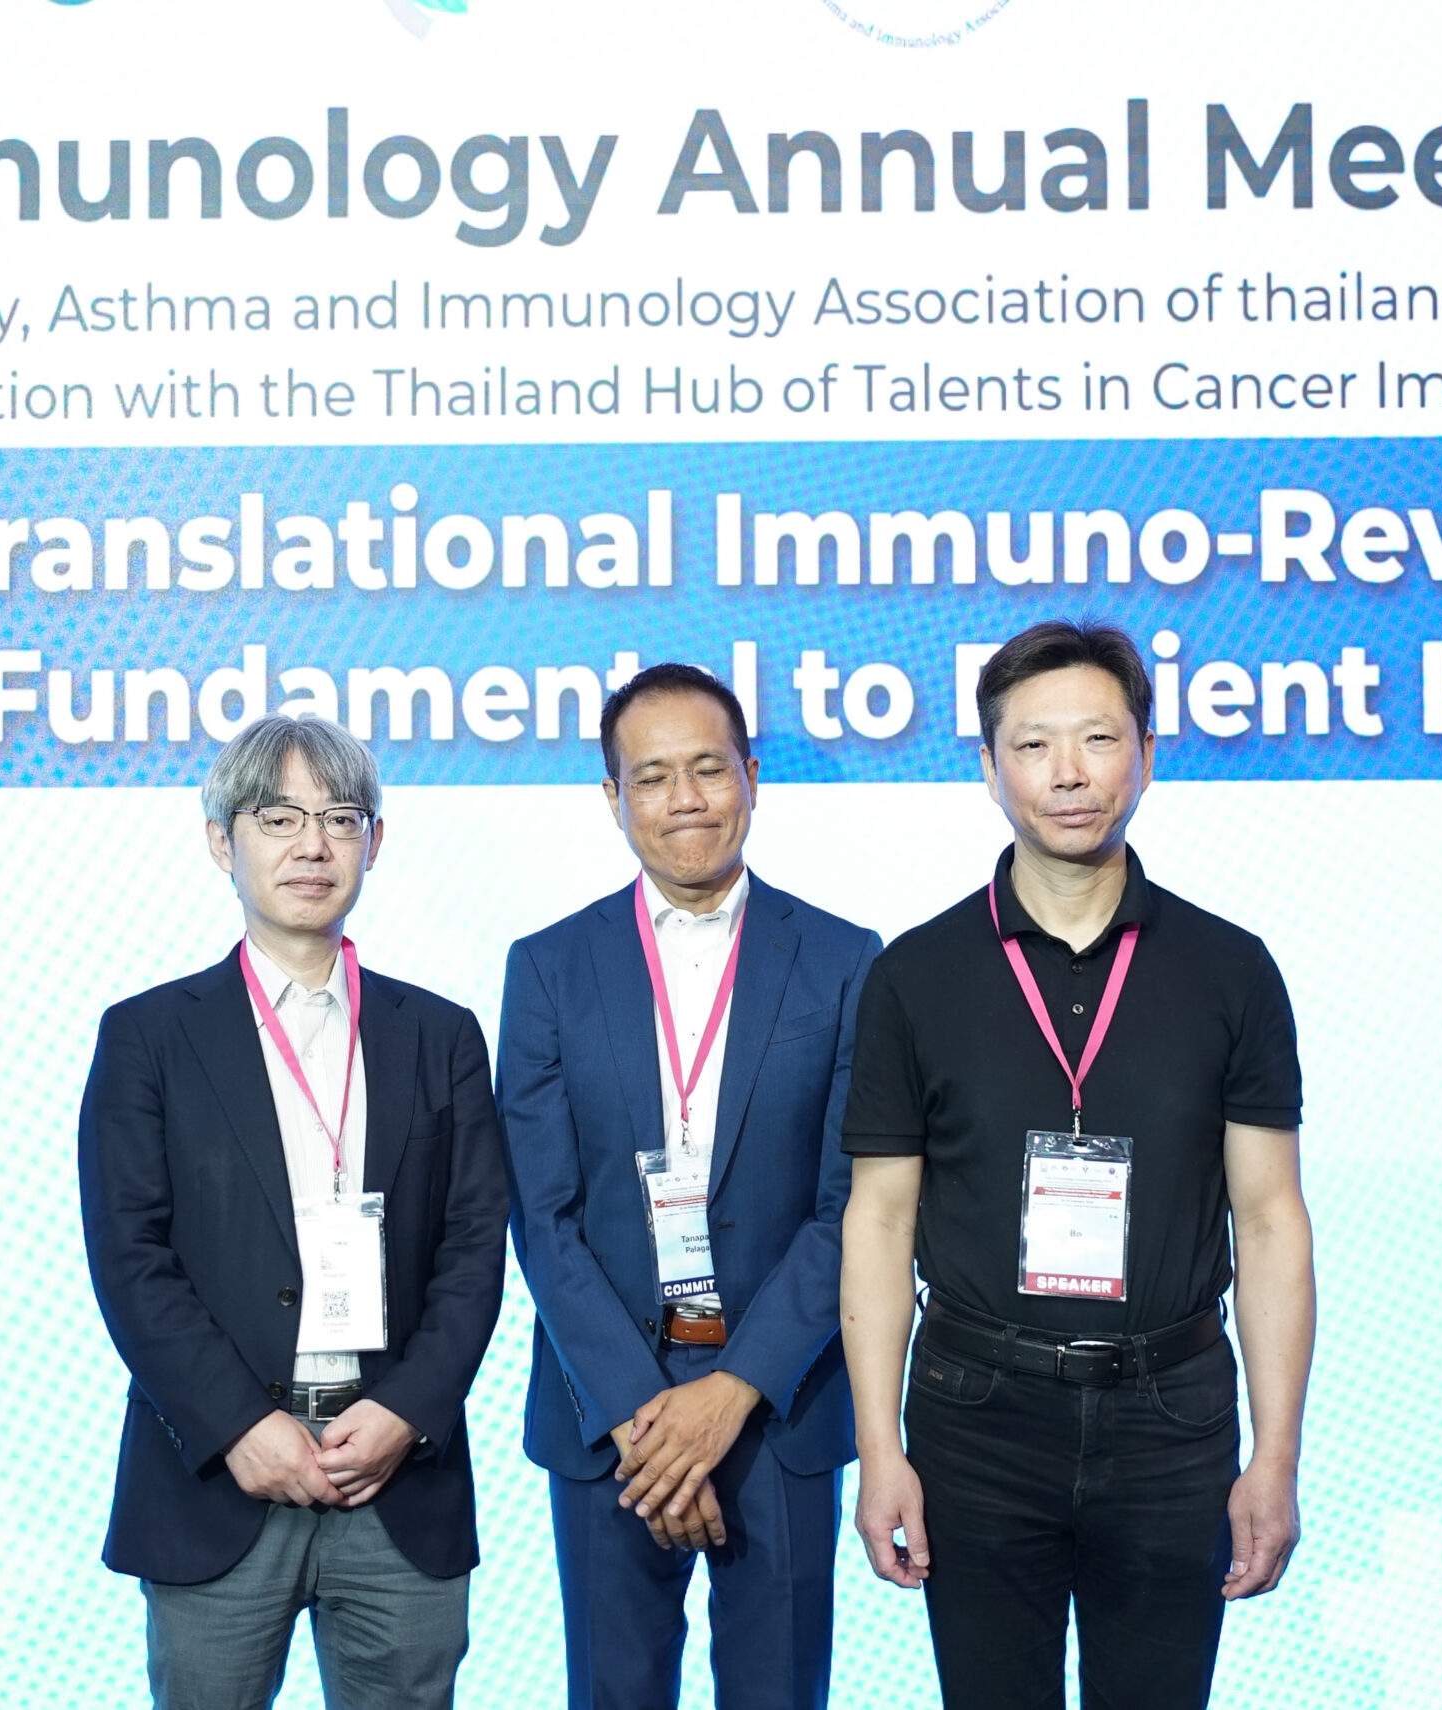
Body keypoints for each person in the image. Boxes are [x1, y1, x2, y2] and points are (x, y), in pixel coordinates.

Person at [839, 620, 1315, 1709]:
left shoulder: (1230, 970)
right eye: (1034, 744)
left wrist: (1276, 1455)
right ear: (987, 766)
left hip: (1172, 1416)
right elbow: (878, 1219)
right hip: (975, 1415)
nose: (1068, 773)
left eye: (1098, 739)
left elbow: (1270, 1219)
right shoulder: (915, 975)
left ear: (1146, 753)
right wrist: (878, 1446)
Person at [79, 715, 509, 1710]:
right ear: (221, 841)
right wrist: (238, 1425)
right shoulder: (148, 1036)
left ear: (374, 842)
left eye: (340, 818)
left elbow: (475, 1247)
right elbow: (130, 1258)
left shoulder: (440, 1035)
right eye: (279, 819)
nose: (312, 845)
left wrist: (405, 1411)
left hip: (396, 1475)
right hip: (218, 1479)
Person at [497, 663, 881, 1710]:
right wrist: (642, 1418)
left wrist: (733, 1391)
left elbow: (851, 1205)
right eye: (653, 776)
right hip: (606, 1418)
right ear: (612, 796)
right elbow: (542, 1216)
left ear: (752, 777)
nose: (685, 800)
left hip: (779, 1403)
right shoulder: (548, 967)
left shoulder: (845, 960)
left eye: (709, 770)